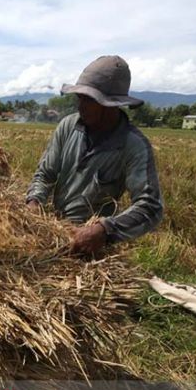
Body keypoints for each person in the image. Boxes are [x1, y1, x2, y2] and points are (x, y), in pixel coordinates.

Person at [26, 55, 163, 256]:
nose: (80, 106)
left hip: (90, 245)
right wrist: (34, 201)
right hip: (54, 233)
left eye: (89, 100)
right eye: (80, 98)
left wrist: (104, 230)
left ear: (111, 104)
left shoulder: (133, 146)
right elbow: (45, 174)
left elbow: (150, 207)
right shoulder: (68, 126)